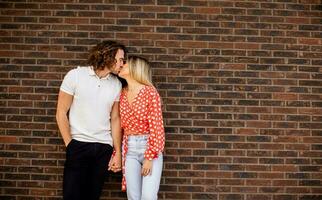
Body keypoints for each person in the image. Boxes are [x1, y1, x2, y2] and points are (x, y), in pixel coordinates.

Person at [56, 40, 126, 200]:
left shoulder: (116, 85)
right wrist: (70, 144)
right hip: (78, 145)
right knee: (71, 195)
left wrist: (117, 153)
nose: (123, 64)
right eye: (121, 59)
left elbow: (115, 119)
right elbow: (61, 112)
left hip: (103, 148)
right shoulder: (75, 75)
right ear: (108, 56)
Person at [118, 56, 165, 200]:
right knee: (133, 197)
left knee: (148, 197)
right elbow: (120, 127)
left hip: (149, 148)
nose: (121, 65)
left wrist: (149, 158)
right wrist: (117, 153)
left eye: (125, 64)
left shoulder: (150, 92)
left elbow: (157, 127)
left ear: (135, 68)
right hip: (130, 149)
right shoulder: (122, 93)